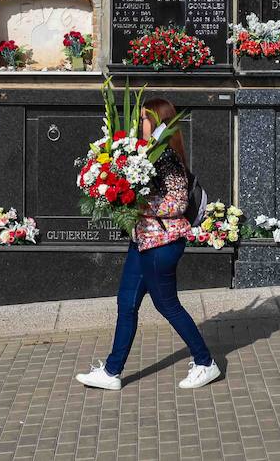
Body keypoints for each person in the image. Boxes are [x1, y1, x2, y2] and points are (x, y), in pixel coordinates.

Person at [76, 99, 221, 391]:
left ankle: (205, 363)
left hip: (163, 242)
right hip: (142, 241)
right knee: (126, 303)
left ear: (158, 122)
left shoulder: (167, 157)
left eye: (144, 118)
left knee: (167, 305)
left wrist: (139, 203)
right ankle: (111, 371)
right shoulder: (141, 155)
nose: (139, 123)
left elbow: (178, 203)